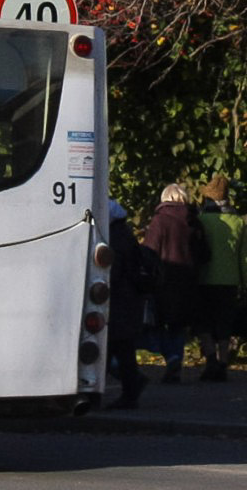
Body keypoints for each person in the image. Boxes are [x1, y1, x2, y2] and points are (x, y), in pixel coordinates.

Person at [143, 182, 200, 383]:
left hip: (163, 280)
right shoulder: (194, 220)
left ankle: (171, 357)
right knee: (178, 326)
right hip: (188, 281)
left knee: (155, 325)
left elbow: (150, 252)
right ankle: (175, 366)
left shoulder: (160, 221)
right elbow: (203, 252)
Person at [194, 174, 244, 382]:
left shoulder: (201, 220)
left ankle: (210, 361)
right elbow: (244, 257)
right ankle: (223, 363)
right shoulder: (238, 222)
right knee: (225, 323)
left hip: (203, 279)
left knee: (203, 322)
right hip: (230, 280)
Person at [104, 199, 149, 409]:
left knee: (118, 349)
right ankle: (131, 387)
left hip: (120, 302)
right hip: (128, 301)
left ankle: (130, 391)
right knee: (119, 350)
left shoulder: (114, 238)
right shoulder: (124, 234)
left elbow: (114, 272)